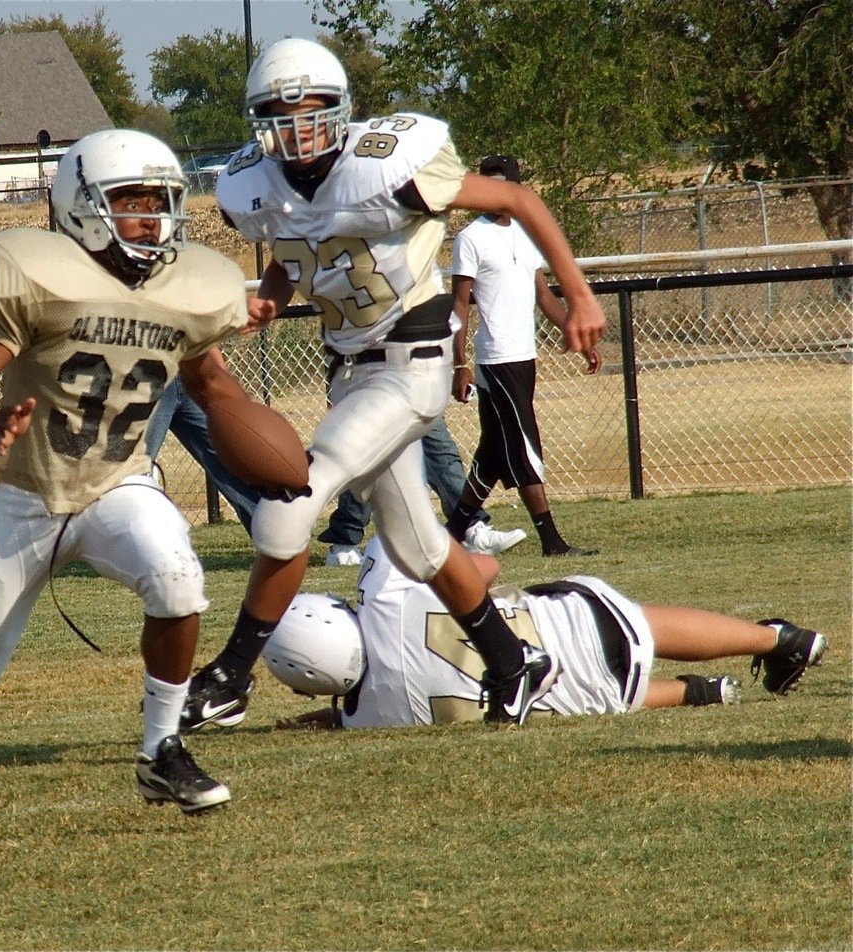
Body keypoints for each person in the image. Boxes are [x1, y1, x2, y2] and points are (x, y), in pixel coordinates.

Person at [0, 129, 260, 841]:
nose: (150, 218)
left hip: (117, 484)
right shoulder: (36, 274)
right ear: (81, 206)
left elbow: (211, 379)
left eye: (159, 203)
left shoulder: (185, 289)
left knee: (177, 576)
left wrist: (257, 429)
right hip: (25, 494)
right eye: (130, 200)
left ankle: (161, 748)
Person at [182, 37, 607, 733]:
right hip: (348, 372)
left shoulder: (388, 168)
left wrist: (580, 293)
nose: (299, 131)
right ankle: (513, 664)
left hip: (412, 364)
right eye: (281, 119)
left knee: (291, 502)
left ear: (342, 111)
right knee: (417, 546)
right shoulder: (252, 188)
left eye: (313, 113)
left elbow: (515, 197)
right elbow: (303, 253)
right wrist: (270, 294)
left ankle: (230, 675)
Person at [267, 537, 829, 730]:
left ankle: (695, 691)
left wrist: (295, 720)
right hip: (589, 620)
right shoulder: (385, 585)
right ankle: (778, 640)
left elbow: (337, 718)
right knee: (624, 623)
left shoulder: (371, 717)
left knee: (575, 693)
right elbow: (483, 571)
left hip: (604, 699)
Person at [447, 154, 601, 557]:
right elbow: (460, 304)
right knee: (524, 444)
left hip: (524, 356)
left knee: (494, 452)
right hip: (495, 360)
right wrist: (459, 363)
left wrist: (575, 330)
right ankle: (551, 540)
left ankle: (451, 533)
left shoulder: (527, 233)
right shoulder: (470, 239)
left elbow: (543, 293)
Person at [318, 416, 526, 566]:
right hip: (372, 385)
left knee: (442, 455)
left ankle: (470, 530)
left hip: (415, 380)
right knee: (368, 458)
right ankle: (343, 543)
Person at [145, 353, 261, 532]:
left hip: (189, 374)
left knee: (231, 460)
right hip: (147, 378)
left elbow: (206, 334)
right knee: (130, 471)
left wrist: (224, 385)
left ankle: (277, 543)